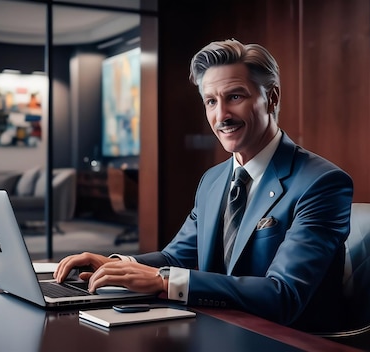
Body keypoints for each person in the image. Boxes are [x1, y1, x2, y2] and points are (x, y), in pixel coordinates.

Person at [55, 39, 353, 332]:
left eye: (235, 97)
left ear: (272, 97)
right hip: (218, 329)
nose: (221, 115)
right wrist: (117, 264)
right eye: (211, 101)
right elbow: (176, 257)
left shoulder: (322, 183)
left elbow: (284, 295)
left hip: (285, 340)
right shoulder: (212, 180)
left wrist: (166, 280)